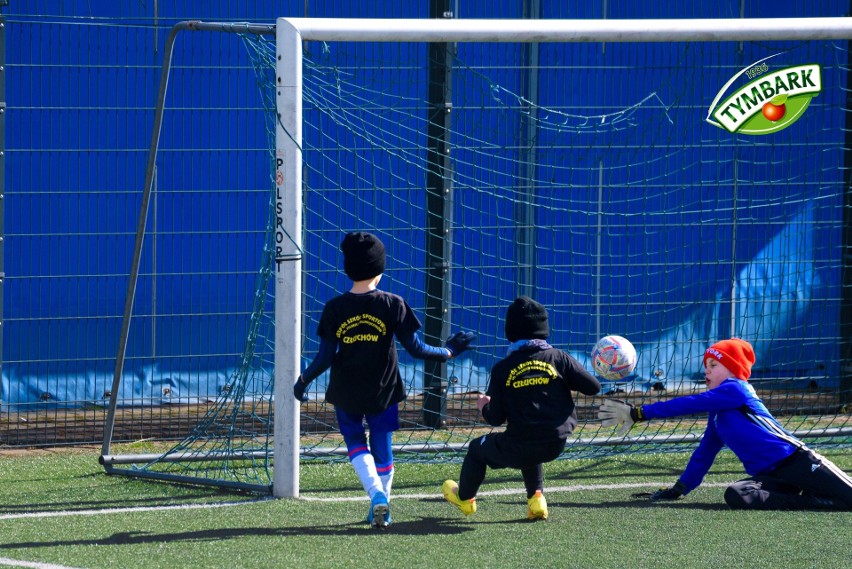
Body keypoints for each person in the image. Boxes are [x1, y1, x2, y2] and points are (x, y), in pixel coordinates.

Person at [293, 231, 476, 530]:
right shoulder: (393, 304)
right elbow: (417, 349)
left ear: (347, 268)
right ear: (380, 268)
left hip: (346, 390)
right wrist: (449, 351)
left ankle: (376, 495)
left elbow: (325, 358)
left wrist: (303, 381)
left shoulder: (335, 308)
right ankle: (383, 504)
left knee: (355, 442)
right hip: (384, 390)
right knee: (382, 446)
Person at [599, 338, 852, 510]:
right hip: (771, 477)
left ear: (732, 370)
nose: (706, 371)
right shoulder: (718, 415)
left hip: (799, 462)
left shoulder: (737, 390)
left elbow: (689, 404)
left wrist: (639, 413)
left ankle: (821, 496)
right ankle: (817, 501)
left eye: (713, 365)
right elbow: (705, 453)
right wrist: (679, 489)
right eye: (705, 366)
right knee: (736, 495)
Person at [442, 296, 602, 521]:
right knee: (531, 436)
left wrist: (484, 406)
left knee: (477, 450)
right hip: (556, 443)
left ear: (510, 332)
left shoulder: (503, 369)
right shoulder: (559, 358)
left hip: (519, 446)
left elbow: (496, 419)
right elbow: (593, 387)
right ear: (544, 329)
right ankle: (537, 500)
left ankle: (465, 499)